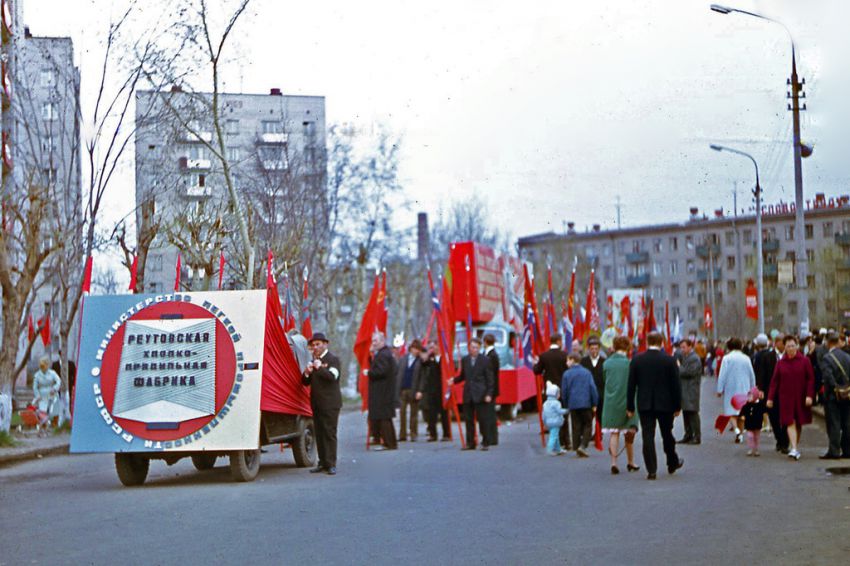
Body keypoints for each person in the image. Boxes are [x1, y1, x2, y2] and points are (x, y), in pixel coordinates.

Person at [627, 332, 683, 480]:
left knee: (647, 436)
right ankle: (672, 461)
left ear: (647, 342)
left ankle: (651, 469)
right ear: (661, 342)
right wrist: (678, 406)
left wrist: (630, 406)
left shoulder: (637, 360)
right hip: (666, 405)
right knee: (667, 434)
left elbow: (631, 385)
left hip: (645, 404)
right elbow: (676, 385)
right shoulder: (670, 360)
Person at [767, 335, 815, 461]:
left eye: (793, 346)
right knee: (789, 421)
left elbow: (810, 379)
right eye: (788, 346)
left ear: (797, 346)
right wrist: (770, 398)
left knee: (798, 422)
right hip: (786, 398)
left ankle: (795, 447)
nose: (791, 348)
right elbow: (774, 382)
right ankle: (793, 448)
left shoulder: (805, 361)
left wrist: (809, 395)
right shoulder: (780, 363)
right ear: (785, 347)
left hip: (801, 397)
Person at [301, 333, 342, 475]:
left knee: (329, 433)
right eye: (313, 345)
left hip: (330, 404)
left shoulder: (333, 359)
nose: (315, 347)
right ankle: (322, 462)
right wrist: (307, 373)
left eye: (318, 344)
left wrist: (320, 368)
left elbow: (333, 377)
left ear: (325, 344)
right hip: (317, 404)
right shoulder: (314, 361)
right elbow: (305, 382)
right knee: (319, 433)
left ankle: (331, 464)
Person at [601, 336, 639, 475]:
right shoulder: (630, 363)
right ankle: (631, 462)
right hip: (627, 401)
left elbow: (604, 380)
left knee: (614, 432)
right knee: (628, 433)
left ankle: (613, 462)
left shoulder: (607, 363)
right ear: (627, 347)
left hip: (611, 402)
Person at [448, 337, 494, 451]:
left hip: (481, 394)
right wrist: (453, 380)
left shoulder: (485, 360)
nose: (474, 350)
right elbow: (463, 376)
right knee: (468, 420)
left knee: (482, 419)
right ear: (469, 347)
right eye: (473, 347)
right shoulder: (465, 360)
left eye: (477, 348)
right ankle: (470, 442)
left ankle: (485, 442)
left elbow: (490, 379)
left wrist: (489, 393)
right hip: (468, 394)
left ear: (479, 348)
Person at [717, 337, 756, 443]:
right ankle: (741, 433)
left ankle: (737, 431)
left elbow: (722, 375)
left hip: (730, 388)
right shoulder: (746, 358)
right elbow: (751, 374)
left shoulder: (727, 358)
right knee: (741, 413)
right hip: (744, 388)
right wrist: (753, 388)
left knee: (731, 412)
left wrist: (720, 389)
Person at [534, 333, 570, 450]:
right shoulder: (565, 355)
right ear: (559, 341)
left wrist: (535, 363)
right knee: (563, 415)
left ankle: (556, 440)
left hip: (550, 391)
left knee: (552, 415)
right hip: (563, 389)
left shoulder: (544, 356)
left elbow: (537, 371)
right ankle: (566, 441)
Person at [754, 334, 789, 453]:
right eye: (783, 343)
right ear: (776, 343)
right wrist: (761, 389)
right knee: (773, 417)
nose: (784, 345)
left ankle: (785, 442)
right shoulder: (768, 357)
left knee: (786, 417)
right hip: (771, 392)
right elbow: (762, 374)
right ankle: (779, 438)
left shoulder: (789, 356)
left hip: (786, 392)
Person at [561, 352, 598, 458]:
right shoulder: (587, 372)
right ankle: (583, 445)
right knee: (588, 424)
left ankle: (576, 446)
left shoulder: (566, 374)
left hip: (573, 403)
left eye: (568, 360)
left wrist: (566, 403)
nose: (566, 362)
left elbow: (564, 391)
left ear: (573, 360)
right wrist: (594, 402)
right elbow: (592, 388)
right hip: (586, 402)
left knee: (575, 425)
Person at [819, 333, 850, 459]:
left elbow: (828, 376)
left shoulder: (827, 358)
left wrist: (836, 388)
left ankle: (834, 450)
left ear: (828, 342)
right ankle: (848, 450)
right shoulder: (847, 357)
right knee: (847, 423)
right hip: (848, 394)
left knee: (834, 423)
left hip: (833, 396)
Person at [367, 332, 398, 450]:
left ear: (382, 341)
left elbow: (381, 371)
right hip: (385, 391)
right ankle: (390, 442)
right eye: (373, 341)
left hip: (382, 392)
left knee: (384, 418)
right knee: (385, 418)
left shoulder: (383, 355)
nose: (373, 343)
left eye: (375, 341)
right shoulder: (384, 353)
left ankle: (388, 443)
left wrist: (369, 373)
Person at [417, 340, 452, 441]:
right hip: (432, 389)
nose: (433, 349)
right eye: (431, 347)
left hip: (442, 389)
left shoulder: (444, 358)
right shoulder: (430, 358)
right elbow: (423, 364)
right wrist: (426, 356)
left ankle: (446, 434)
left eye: (435, 346)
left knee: (444, 413)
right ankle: (433, 434)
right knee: (431, 414)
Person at [677, 338, 703, 445]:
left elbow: (689, 372)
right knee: (686, 412)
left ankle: (696, 436)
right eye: (681, 347)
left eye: (684, 347)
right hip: (685, 388)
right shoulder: (685, 357)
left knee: (692, 412)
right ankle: (688, 435)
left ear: (690, 346)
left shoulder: (694, 358)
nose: (682, 350)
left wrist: (679, 367)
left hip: (691, 389)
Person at [396, 340, 423, 442]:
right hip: (403, 389)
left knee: (413, 413)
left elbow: (422, 377)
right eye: (415, 348)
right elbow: (398, 373)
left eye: (418, 349)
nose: (417, 351)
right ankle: (402, 434)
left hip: (414, 389)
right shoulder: (403, 359)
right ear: (411, 349)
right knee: (402, 413)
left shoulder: (420, 361)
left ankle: (413, 433)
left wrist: (420, 390)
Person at [581, 336, 606, 437]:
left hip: (601, 393)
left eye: (596, 349)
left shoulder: (604, 361)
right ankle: (587, 434)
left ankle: (598, 434)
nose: (594, 351)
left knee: (600, 415)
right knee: (587, 416)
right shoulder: (584, 361)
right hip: (587, 393)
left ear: (599, 349)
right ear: (588, 349)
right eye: (592, 349)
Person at [32, 357, 61, 431]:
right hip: (42, 395)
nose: (43, 368)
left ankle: (55, 424)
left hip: (52, 393)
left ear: (47, 365)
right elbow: (35, 387)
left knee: (54, 409)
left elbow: (58, 381)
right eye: (41, 367)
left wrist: (54, 388)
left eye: (44, 366)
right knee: (42, 410)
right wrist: (37, 396)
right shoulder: (37, 375)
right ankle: (44, 425)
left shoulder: (52, 373)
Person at [483, 333, 500, 446]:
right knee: (489, 413)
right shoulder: (490, 354)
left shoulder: (491, 355)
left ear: (485, 342)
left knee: (490, 414)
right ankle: (491, 436)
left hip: (491, 388)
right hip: (491, 387)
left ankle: (492, 437)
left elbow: (491, 373)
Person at [542, 382, 568, 456]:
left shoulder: (545, 403)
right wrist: (567, 411)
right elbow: (559, 411)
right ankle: (550, 449)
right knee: (553, 436)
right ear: (555, 394)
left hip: (548, 422)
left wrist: (544, 423)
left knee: (555, 436)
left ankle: (558, 449)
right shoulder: (557, 403)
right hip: (556, 422)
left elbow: (543, 415)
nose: (559, 395)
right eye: (558, 393)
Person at [741, 386, 766, 457]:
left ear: (755, 397)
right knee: (750, 436)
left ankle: (756, 449)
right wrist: (742, 415)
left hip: (757, 423)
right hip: (749, 423)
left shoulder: (760, 404)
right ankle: (750, 448)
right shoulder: (746, 404)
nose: (749, 398)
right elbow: (743, 411)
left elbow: (765, 410)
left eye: (751, 396)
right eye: (748, 396)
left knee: (756, 437)